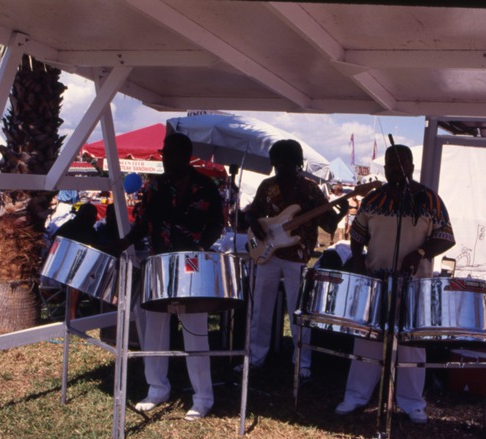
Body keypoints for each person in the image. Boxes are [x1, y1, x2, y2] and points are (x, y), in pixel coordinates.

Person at [335, 144, 456, 424]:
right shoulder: (374, 199)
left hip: (413, 284)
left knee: (412, 343)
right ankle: (356, 396)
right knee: (368, 339)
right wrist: (356, 257)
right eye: (390, 165)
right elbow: (358, 233)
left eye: (400, 165)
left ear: (411, 167)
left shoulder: (429, 199)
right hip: (377, 280)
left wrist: (421, 253)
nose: (394, 170)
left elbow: (446, 237)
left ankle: (412, 403)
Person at [116, 132, 224, 421]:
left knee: (194, 330)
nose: (164, 158)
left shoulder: (205, 187)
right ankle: (157, 388)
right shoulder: (156, 186)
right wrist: (125, 241)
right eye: (164, 153)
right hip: (160, 261)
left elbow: (217, 223)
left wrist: (201, 247)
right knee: (155, 326)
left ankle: (202, 397)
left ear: (185, 156)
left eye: (170, 154)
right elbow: (143, 222)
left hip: (191, 264)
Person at [239, 139, 349, 380]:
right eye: (277, 164)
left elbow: (328, 223)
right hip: (267, 254)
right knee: (260, 310)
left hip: (297, 257)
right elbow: (251, 215)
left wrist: (341, 209)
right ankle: (255, 358)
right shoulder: (267, 186)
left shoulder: (310, 189)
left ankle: (302, 362)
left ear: (297, 163)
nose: (281, 169)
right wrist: (255, 226)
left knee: (298, 311)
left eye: (285, 164)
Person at [53, 202, 99, 320]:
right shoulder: (70, 227)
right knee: (75, 281)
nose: (93, 220)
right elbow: (56, 244)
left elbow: (97, 247)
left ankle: (100, 312)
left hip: (81, 271)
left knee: (93, 277)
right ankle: (72, 317)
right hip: (59, 271)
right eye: (91, 217)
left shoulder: (90, 230)